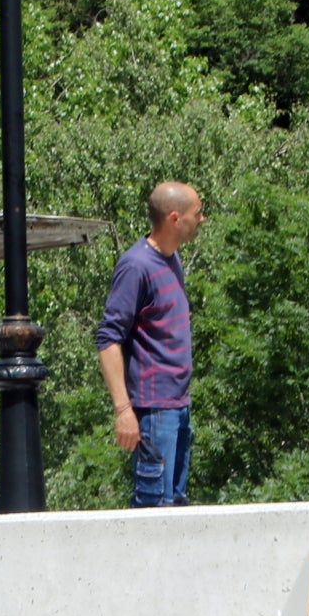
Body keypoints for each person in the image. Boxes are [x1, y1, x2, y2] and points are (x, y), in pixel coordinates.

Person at [96, 181, 203, 507]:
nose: (202, 219)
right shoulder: (136, 266)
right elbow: (108, 339)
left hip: (178, 404)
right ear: (175, 218)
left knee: (176, 504)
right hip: (154, 409)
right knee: (154, 507)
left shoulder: (172, 258)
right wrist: (123, 410)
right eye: (197, 213)